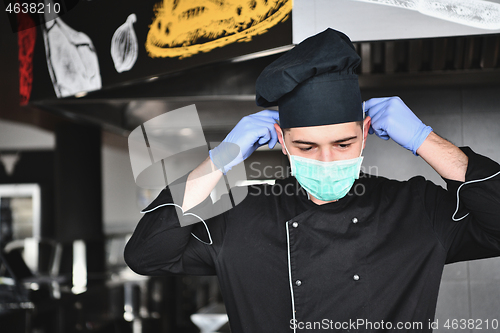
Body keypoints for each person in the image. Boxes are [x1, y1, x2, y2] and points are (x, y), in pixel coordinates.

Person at [124, 29, 500, 332]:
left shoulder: (417, 209)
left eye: (343, 143)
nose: (326, 159)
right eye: (306, 145)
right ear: (283, 142)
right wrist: (220, 159)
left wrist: (425, 140)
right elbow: (146, 254)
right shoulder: (239, 216)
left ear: (365, 133)